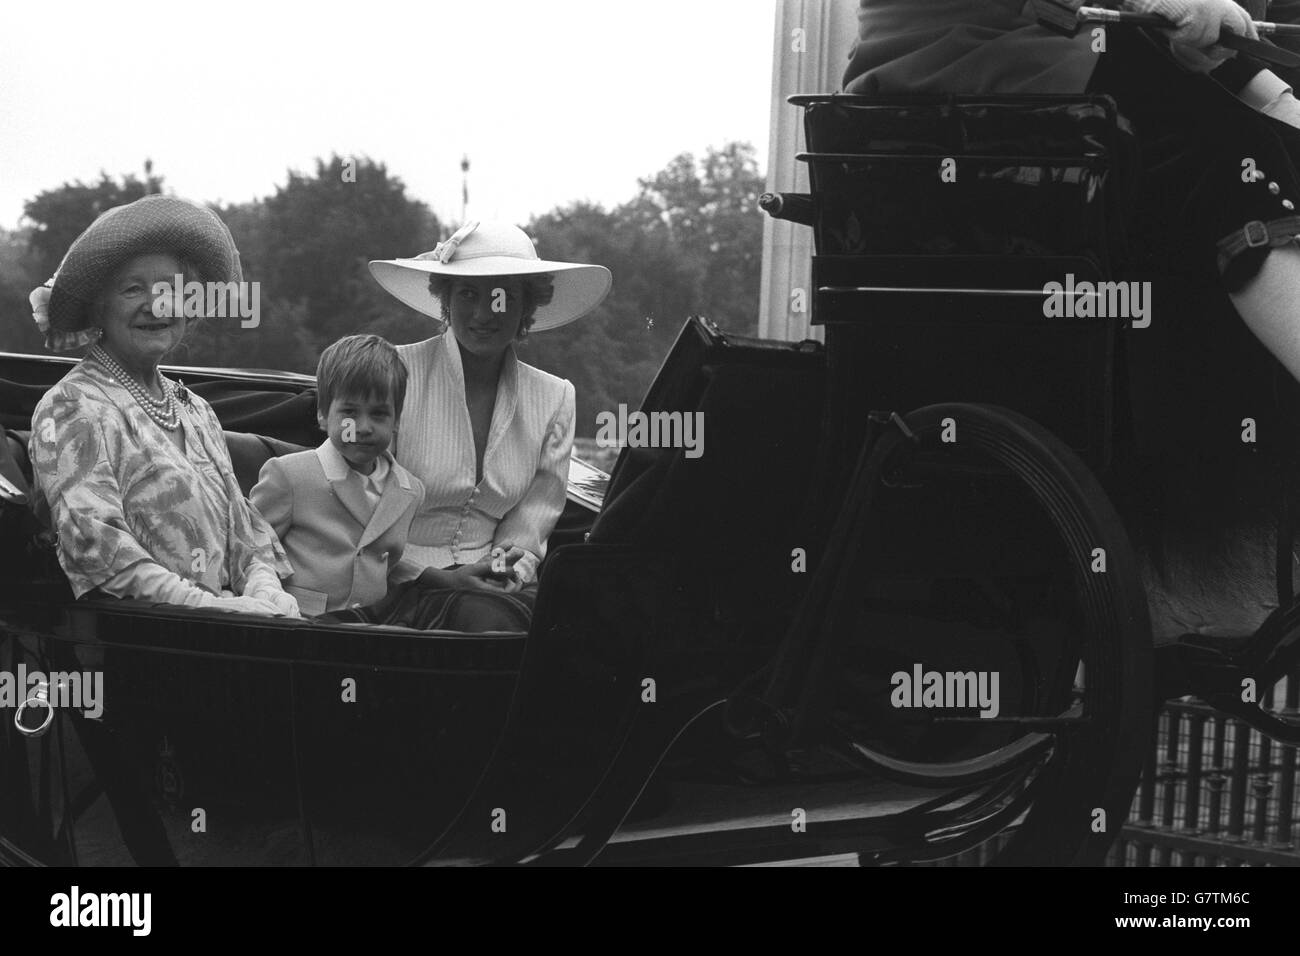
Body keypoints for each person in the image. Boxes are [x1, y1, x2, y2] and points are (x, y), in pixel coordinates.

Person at [841, 1, 1300, 384]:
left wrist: (1282, 104)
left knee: (1269, 148)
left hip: (1044, 47)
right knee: (1235, 160)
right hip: (953, 71)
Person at [27, 195, 299, 617]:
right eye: (133, 288)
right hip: (137, 649)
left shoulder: (196, 409)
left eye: (169, 290)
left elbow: (247, 539)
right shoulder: (71, 406)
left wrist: (266, 592)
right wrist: (215, 610)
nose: (156, 304)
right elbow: (101, 554)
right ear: (100, 306)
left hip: (233, 637)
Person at [351, 221, 611, 629]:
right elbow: (354, 511)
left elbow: (531, 522)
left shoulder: (555, 397)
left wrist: (505, 568)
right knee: (490, 626)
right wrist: (439, 577)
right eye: (468, 294)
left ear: (526, 307)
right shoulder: (394, 372)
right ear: (445, 299)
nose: (484, 312)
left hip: (493, 588)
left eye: (502, 296)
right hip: (391, 584)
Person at [249, 334, 426, 615]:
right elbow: (251, 549)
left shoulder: (411, 490)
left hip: (369, 628)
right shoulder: (289, 475)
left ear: (397, 421)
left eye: (379, 414)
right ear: (322, 414)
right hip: (300, 622)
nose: (363, 427)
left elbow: (384, 563)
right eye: (350, 412)